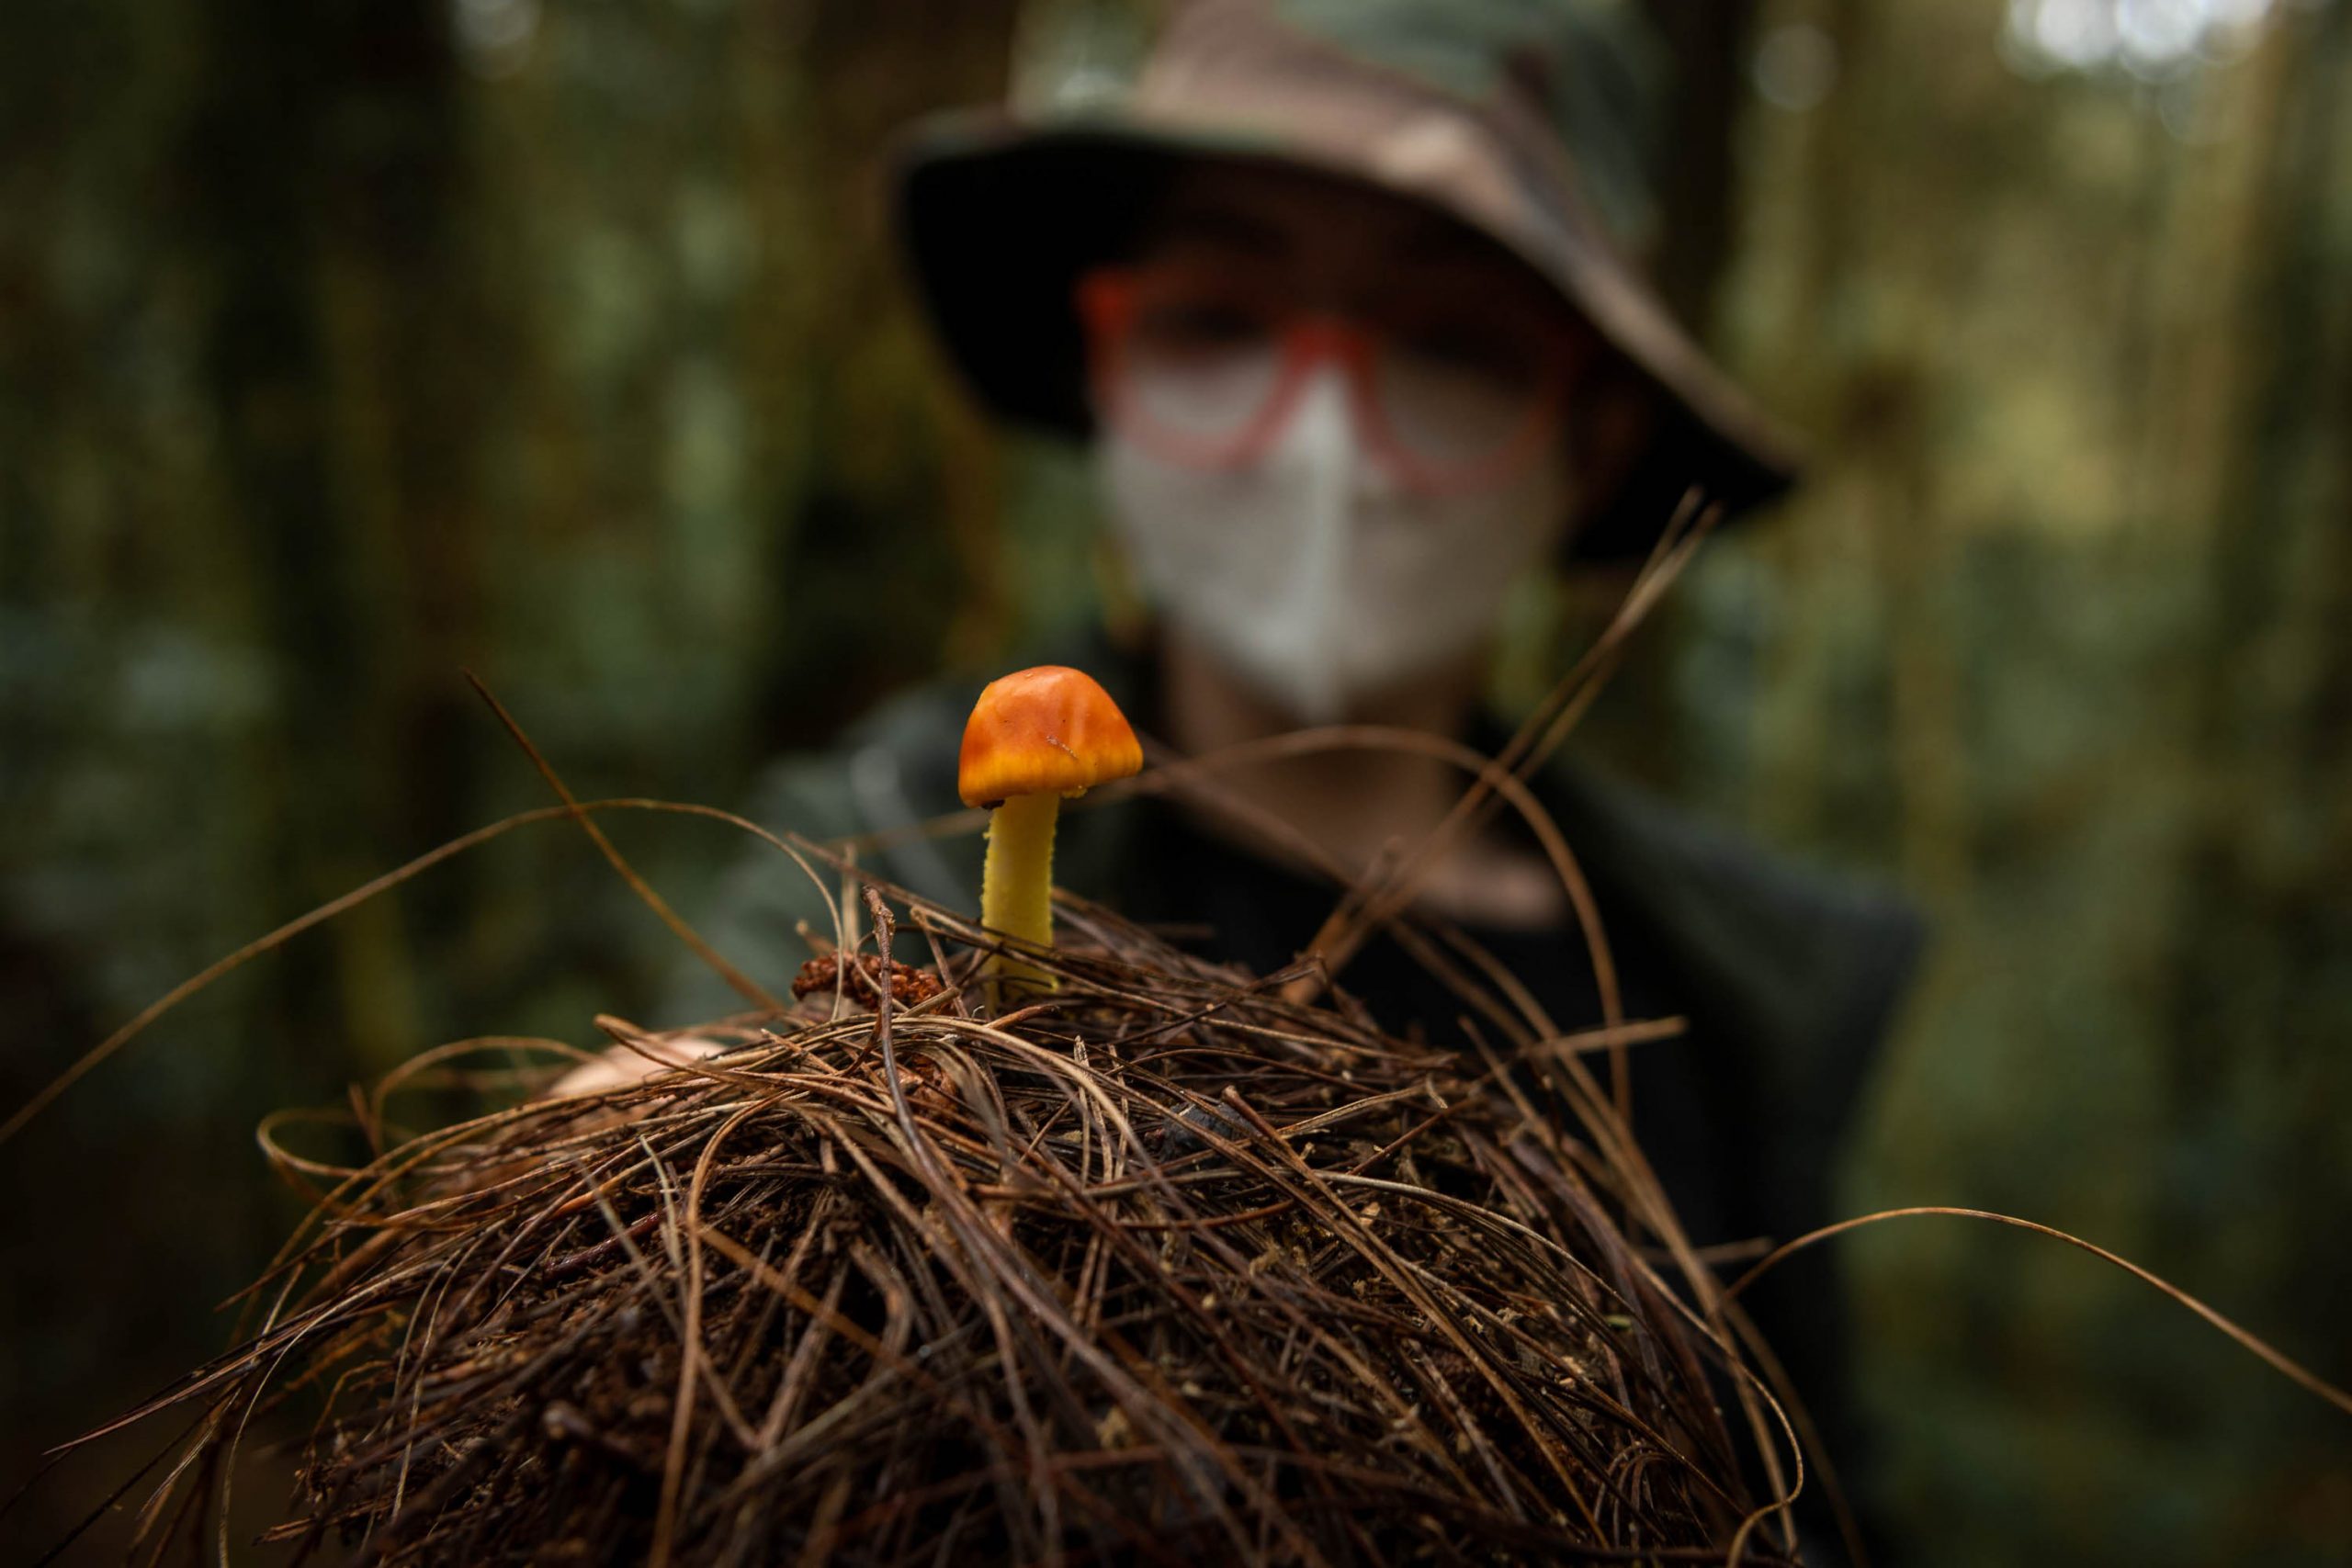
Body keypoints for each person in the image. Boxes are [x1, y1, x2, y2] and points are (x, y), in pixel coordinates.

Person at [664, 0, 1920, 1551]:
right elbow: (684, 1121)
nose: (1320, 432)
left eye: (1453, 341)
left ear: (1589, 436)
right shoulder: (883, 852)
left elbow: (1823, 1501)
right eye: (1218, 318)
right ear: (1103, 360)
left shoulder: (1734, 998)